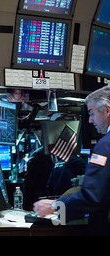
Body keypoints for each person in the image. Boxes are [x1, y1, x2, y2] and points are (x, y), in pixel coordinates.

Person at [34, 86, 110, 235]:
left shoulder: (105, 146)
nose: (90, 120)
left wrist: (56, 206)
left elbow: (93, 197)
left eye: (92, 113)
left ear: (107, 110)